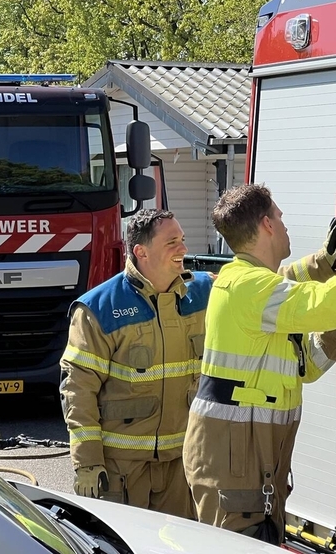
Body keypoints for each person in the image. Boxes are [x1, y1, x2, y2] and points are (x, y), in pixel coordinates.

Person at [183, 184, 336, 543]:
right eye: (279, 217)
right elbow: (319, 303)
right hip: (237, 468)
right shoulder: (247, 288)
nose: (284, 224)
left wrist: (322, 267)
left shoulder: (248, 284)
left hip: (246, 461)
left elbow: (306, 365)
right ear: (266, 225)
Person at [60, 209, 212, 519]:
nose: (183, 249)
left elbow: (255, 286)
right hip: (121, 471)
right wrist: (88, 462)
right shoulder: (99, 308)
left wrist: (317, 267)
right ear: (141, 252)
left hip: (181, 467)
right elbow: (78, 391)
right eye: (172, 242)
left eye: (183, 240)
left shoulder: (204, 293)